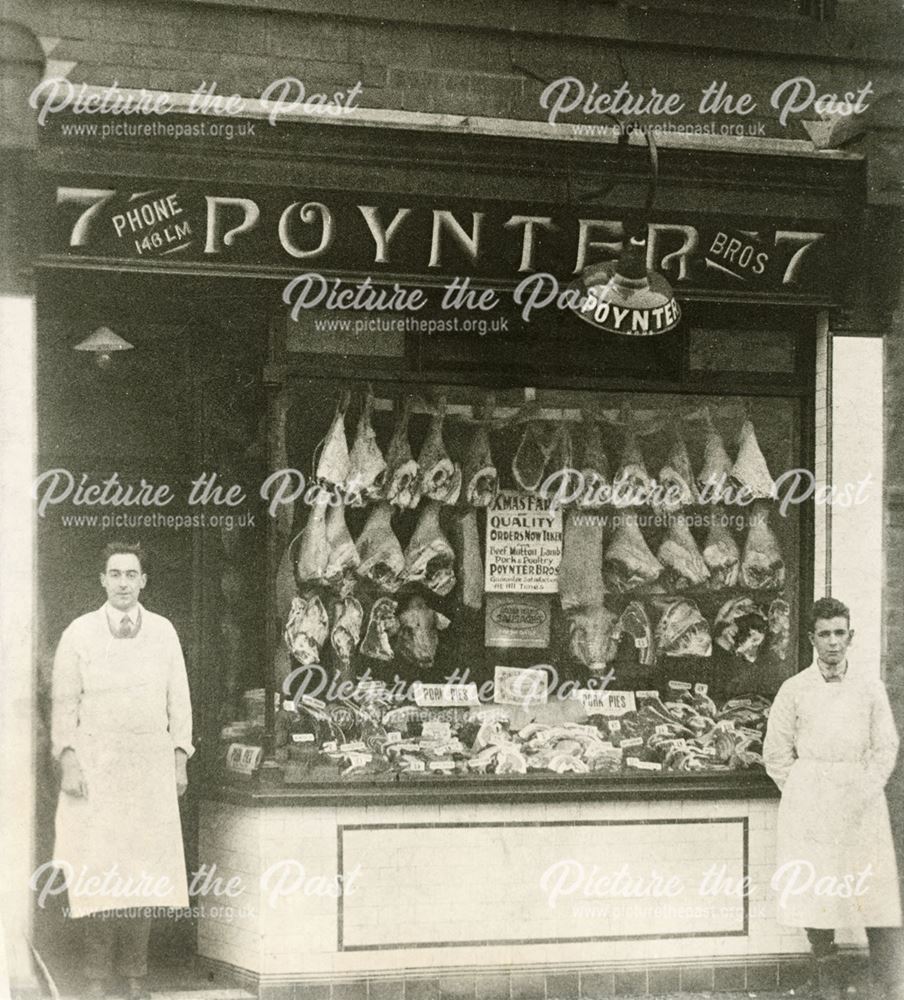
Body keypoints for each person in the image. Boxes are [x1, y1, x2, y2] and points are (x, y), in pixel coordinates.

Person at [50, 542, 193, 1000]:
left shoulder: (164, 632)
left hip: (148, 770)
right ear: (102, 580)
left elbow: (180, 701)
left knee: (143, 873)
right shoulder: (80, 633)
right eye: (115, 574)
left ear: (144, 581)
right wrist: (68, 758)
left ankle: (134, 977)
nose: (124, 583)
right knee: (99, 872)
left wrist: (179, 757)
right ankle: (95, 978)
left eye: (132, 574)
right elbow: (63, 704)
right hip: (96, 771)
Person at [763, 596, 902, 999]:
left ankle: (889, 984)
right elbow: (776, 753)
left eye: (840, 633)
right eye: (824, 634)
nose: (833, 642)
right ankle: (827, 981)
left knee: (873, 887)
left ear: (851, 636)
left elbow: (885, 747)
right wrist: (807, 792)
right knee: (815, 886)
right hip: (812, 801)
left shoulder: (870, 688)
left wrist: (862, 789)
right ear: (811, 639)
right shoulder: (793, 690)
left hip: (861, 801)